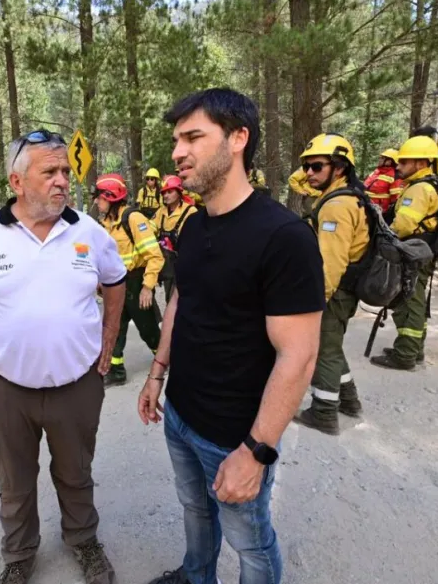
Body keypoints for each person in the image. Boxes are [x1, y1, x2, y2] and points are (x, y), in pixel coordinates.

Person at [137, 88, 324, 584]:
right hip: (180, 414)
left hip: (235, 435)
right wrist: (157, 374)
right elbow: (181, 299)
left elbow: (299, 356)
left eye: (193, 137)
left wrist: (256, 451)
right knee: (195, 511)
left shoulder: (284, 237)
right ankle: (197, 576)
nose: (178, 152)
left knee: (250, 541)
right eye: (177, 139)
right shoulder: (195, 226)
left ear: (238, 138)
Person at [0, 129, 127, 584]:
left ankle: (83, 540)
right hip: (6, 388)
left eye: (66, 171)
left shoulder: (87, 229)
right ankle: (19, 553)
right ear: (17, 181)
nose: (63, 181)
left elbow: (116, 279)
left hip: (77, 385)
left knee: (75, 473)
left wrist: (109, 339)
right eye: (50, 172)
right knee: (14, 483)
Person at [292, 134, 369, 436]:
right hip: (346, 289)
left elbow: (332, 262)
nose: (308, 173)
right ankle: (349, 400)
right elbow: (296, 182)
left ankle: (324, 412)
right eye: (306, 166)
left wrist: (315, 300)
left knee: (323, 348)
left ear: (339, 168)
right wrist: (312, 165)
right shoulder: (348, 195)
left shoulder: (336, 207)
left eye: (317, 166)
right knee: (333, 345)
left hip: (334, 292)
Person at [369, 135, 438, 371]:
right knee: (417, 298)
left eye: (404, 162)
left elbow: (403, 225)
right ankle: (414, 348)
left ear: (421, 163)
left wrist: (383, 242)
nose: (398, 166)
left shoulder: (419, 189)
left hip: (412, 250)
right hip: (423, 250)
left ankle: (405, 355)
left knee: (408, 300)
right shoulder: (434, 183)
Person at [95, 173, 164, 388]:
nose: (97, 201)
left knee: (148, 329)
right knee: (114, 327)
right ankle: (116, 370)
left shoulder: (134, 219)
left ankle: (165, 357)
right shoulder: (104, 223)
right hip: (115, 285)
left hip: (135, 281)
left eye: (100, 197)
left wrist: (147, 287)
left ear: (111, 197)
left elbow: (155, 256)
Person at [153, 174, 197, 302]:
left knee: (176, 299)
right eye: (164, 193)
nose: (166, 195)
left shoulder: (191, 211)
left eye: (169, 192)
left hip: (182, 263)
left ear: (179, 192)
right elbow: (151, 228)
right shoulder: (161, 211)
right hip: (165, 263)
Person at [363, 148, 403, 213]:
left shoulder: (394, 176)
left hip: (379, 211)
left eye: (382, 158)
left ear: (390, 161)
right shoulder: (376, 171)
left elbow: (395, 199)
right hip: (366, 206)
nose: (380, 160)